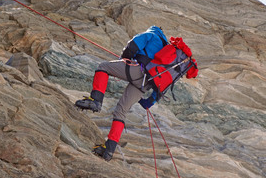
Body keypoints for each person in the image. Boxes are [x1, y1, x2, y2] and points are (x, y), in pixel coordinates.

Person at [75, 26, 197, 161]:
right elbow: (163, 85)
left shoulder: (152, 34)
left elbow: (133, 45)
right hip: (145, 84)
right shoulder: (168, 51)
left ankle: (96, 101)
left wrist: (124, 58)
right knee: (121, 112)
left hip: (137, 71)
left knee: (103, 67)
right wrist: (148, 102)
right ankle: (108, 150)